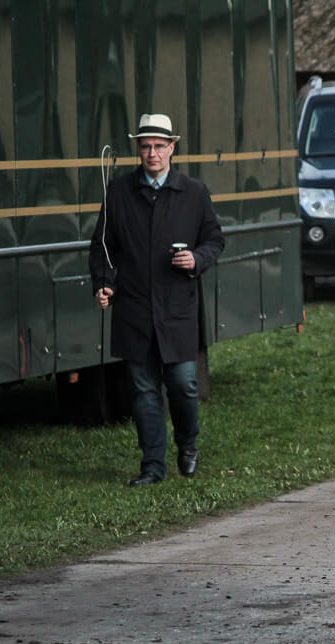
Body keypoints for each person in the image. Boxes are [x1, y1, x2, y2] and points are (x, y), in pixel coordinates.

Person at [89, 113, 225, 487]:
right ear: (139, 149)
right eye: (146, 146)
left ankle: (188, 445)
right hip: (133, 308)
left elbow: (215, 240)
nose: (152, 153)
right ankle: (152, 467)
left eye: (159, 146)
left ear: (172, 148)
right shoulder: (118, 192)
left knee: (183, 384)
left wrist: (196, 259)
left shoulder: (194, 193)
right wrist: (104, 284)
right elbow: (102, 247)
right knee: (144, 393)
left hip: (177, 308)